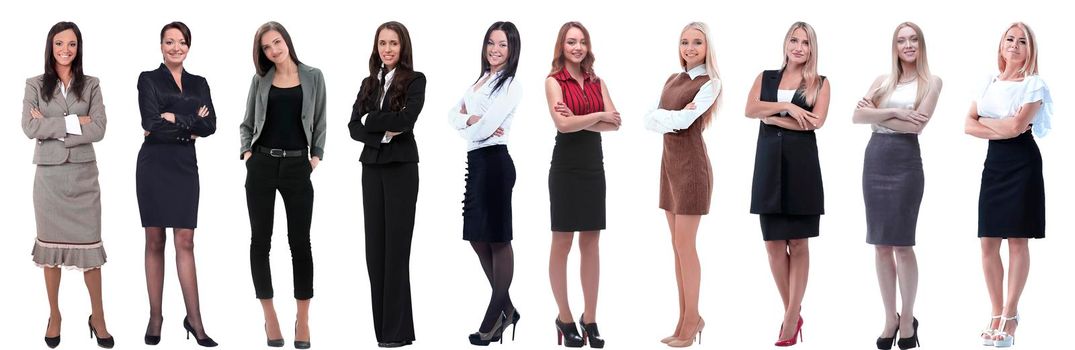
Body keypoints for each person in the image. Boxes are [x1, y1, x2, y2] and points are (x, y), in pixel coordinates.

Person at [22, 21, 113, 349]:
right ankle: (55, 315)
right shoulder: (34, 84)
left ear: (78, 48)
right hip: (49, 180)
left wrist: (51, 125)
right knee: (50, 254)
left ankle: (98, 317)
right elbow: (29, 128)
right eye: (59, 43)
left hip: (83, 178)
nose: (65, 50)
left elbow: (100, 128)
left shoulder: (91, 85)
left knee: (91, 251)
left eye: (72, 44)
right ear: (50, 47)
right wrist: (76, 121)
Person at [851, 22, 942, 350]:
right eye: (902, 40)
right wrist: (891, 111)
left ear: (921, 44)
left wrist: (876, 114)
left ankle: (908, 318)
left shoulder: (931, 82)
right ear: (895, 46)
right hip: (875, 160)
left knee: (902, 244)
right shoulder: (881, 81)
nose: (908, 45)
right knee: (880, 245)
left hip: (905, 164)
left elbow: (918, 126)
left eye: (913, 39)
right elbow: (855, 117)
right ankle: (890, 316)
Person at [239, 21, 326, 349]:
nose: (273, 50)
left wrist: (314, 157)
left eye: (277, 42)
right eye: (266, 47)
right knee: (260, 242)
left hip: (296, 165)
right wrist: (248, 154)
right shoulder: (260, 81)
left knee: (300, 243)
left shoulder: (314, 76)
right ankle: (270, 315)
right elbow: (247, 123)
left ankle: (302, 319)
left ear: (286, 41)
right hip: (261, 164)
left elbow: (321, 121)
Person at [963, 22, 1051, 349]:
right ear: (1001, 45)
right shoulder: (989, 82)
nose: (1014, 45)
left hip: (1022, 163)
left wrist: (988, 123)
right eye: (1009, 39)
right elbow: (967, 125)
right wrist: (1001, 126)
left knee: (1016, 240)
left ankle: (1010, 315)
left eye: (1022, 41)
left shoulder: (1034, 85)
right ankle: (995, 311)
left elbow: (1018, 127)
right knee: (987, 241)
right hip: (994, 163)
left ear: (1030, 50)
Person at [744, 21, 830, 348]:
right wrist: (789, 107)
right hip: (768, 167)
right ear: (786, 43)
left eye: (805, 42)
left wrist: (772, 117)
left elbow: (814, 123)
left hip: (802, 167)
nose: (798, 47)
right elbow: (750, 109)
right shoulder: (765, 78)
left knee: (800, 242)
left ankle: (791, 318)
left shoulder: (820, 83)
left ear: (812, 49)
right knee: (773, 245)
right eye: (794, 40)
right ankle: (792, 310)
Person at [136, 21, 218, 347]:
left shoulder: (199, 82)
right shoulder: (148, 79)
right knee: (154, 240)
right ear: (161, 46)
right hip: (154, 165)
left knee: (186, 242)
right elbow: (150, 123)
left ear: (188, 46)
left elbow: (210, 124)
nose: (175, 48)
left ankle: (195, 320)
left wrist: (175, 118)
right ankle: (156, 317)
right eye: (169, 42)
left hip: (185, 166)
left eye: (181, 42)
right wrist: (189, 122)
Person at [642, 21, 722, 348]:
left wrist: (668, 117)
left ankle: (693, 320)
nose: (690, 48)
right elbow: (648, 119)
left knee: (686, 247)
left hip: (691, 170)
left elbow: (685, 121)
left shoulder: (710, 83)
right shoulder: (672, 79)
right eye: (685, 42)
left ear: (707, 48)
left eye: (697, 43)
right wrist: (668, 118)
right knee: (676, 248)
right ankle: (683, 318)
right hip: (669, 168)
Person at [348, 21, 426, 348]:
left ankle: (394, 334)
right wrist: (380, 128)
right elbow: (353, 126)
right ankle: (387, 333)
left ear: (402, 47)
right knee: (374, 252)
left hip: (401, 170)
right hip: (372, 169)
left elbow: (406, 121)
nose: (388, 49)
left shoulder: (415, 80)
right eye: (383, 43)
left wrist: (371, 120)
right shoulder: (369, 83)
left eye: (393, 43)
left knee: (396, 251)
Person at [544, 21, 621, 349]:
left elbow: (615, 122)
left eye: (582, 42)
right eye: (571, 42)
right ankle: (564, 316)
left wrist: (580, 119)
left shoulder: (596, 80)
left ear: (588, 47)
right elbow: (562, 125)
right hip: (565, 169)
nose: (577, 47)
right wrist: (595, 116)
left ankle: (590, 318)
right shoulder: (552, 82)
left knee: (591, 242)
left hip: (593, 169)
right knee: (562, 241)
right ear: (562, 46)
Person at [447, 21, 523, 346]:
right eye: (491, 43)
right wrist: (468, 121)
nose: (495, 49)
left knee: (497, 240)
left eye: (502, 44)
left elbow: (485, 129)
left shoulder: (510, 85)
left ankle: (493, 317)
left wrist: (471, 123)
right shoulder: (481, 80)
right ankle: (507, 309)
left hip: (495, 164)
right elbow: (452, 115)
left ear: (512, 49)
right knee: (477, 238)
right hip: (476, 164)